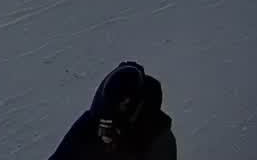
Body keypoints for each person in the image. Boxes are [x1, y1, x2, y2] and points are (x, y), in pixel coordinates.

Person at [48, 61, 176, 159]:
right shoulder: (93, 120)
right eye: (102, 128)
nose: (104, 138)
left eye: (111, 131)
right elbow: (65, 153)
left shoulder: (160, 141)